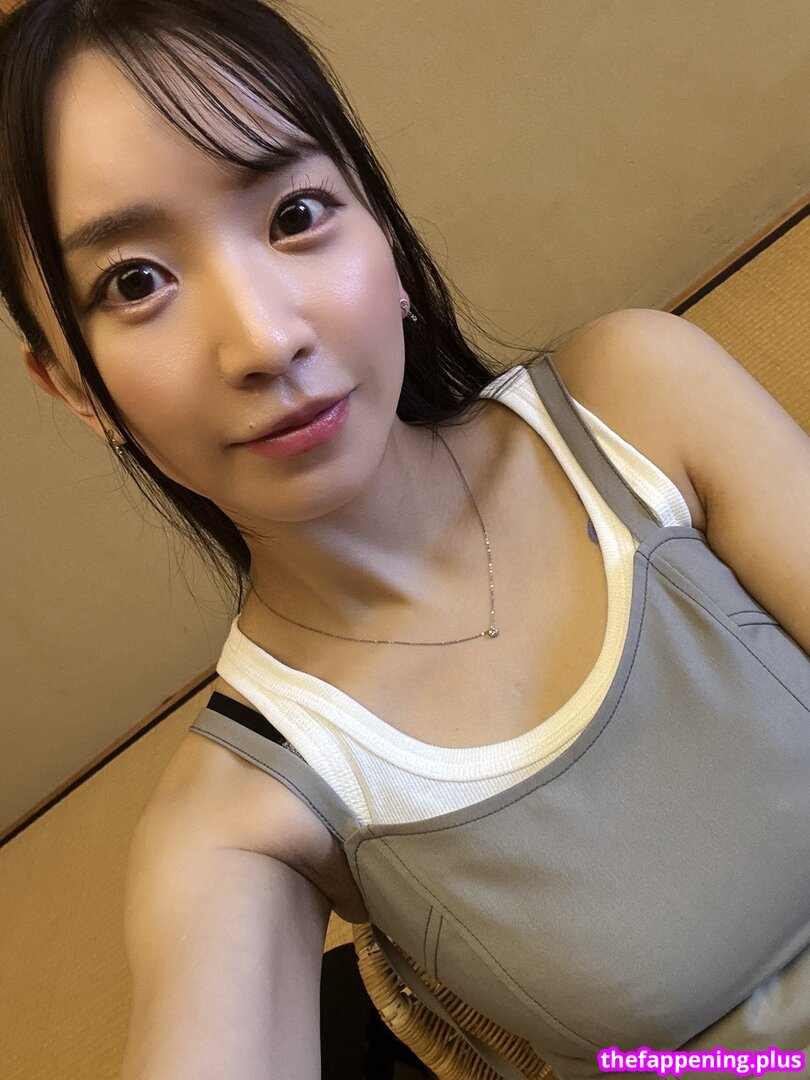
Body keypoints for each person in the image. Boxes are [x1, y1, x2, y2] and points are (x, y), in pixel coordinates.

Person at [2, 1, 808, 1077]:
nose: (265, 338)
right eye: (136, 282)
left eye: (295, 213)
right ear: (73, 389)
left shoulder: (638, 401)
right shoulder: (237, 819)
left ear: (379, 229)